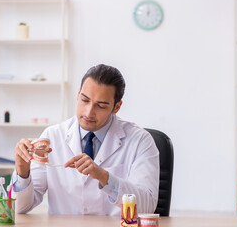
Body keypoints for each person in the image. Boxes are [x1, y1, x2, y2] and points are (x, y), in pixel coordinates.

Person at [12, 64, 159, 215]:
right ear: (78, 94)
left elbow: (147, 206)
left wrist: (104, 177)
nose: (89, 112)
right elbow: (20, 208)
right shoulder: (52, 136)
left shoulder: (140, 141)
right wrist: (22, 171)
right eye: (84, 100)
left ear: (116, 107)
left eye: (101, 106)